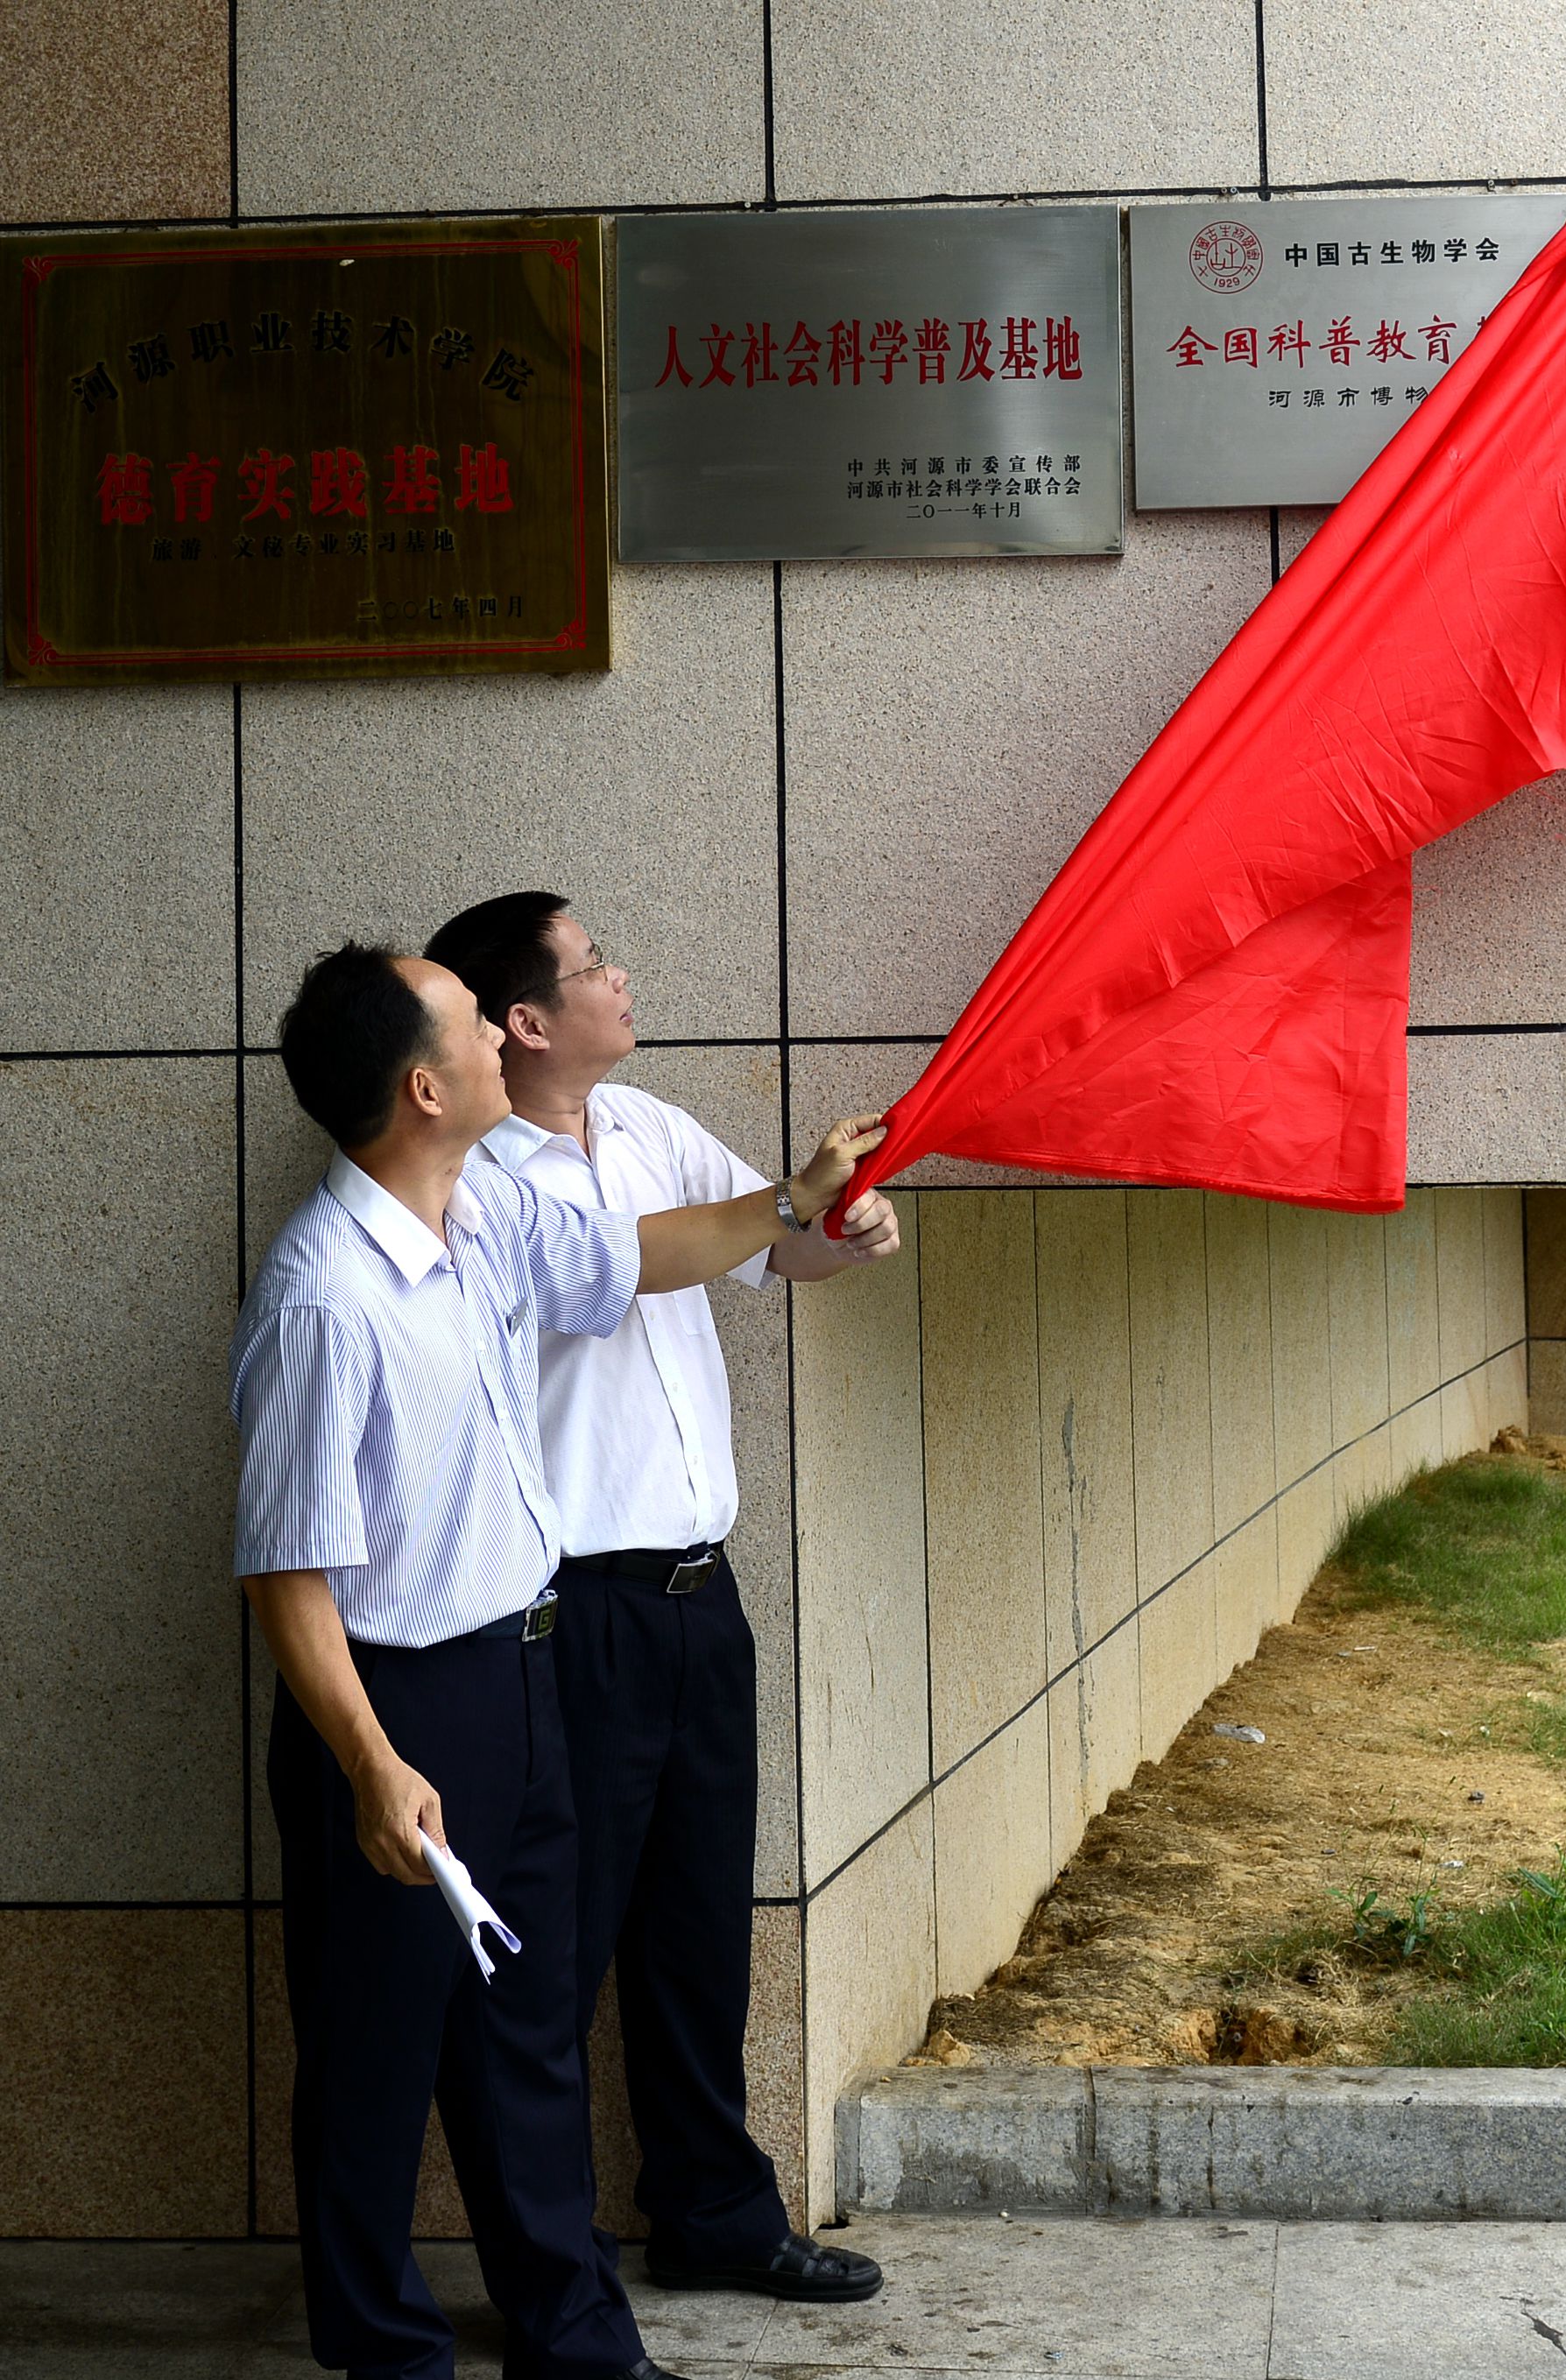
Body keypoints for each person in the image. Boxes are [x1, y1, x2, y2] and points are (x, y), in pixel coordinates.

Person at [235, 940, 885, 2380]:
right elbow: (286, 1574)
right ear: (426, 1084)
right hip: (398, 1708)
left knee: (527, 2038)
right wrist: (373, 1761)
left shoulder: (485, 1221)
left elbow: (639, 1255)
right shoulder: (323, 1295)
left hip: (522, 1678)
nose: (495, 1034)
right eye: (473, 1022)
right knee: (375, 2055)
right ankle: (387, 2350)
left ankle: (579, 2338)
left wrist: (795, 1198)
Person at [423, 891, 896, 2304]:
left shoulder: (652, 1130)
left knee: (699, 1930)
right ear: (524, 1019)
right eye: (592, 965)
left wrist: (837, 1229)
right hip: (571, 1615)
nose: (622, 975)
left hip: (701, 1600)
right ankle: (552, 2268)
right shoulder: (481, 1174)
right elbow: (626, 1269)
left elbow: (763, 1247)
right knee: (555, 1956)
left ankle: (715, 2213)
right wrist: (790, 1201)